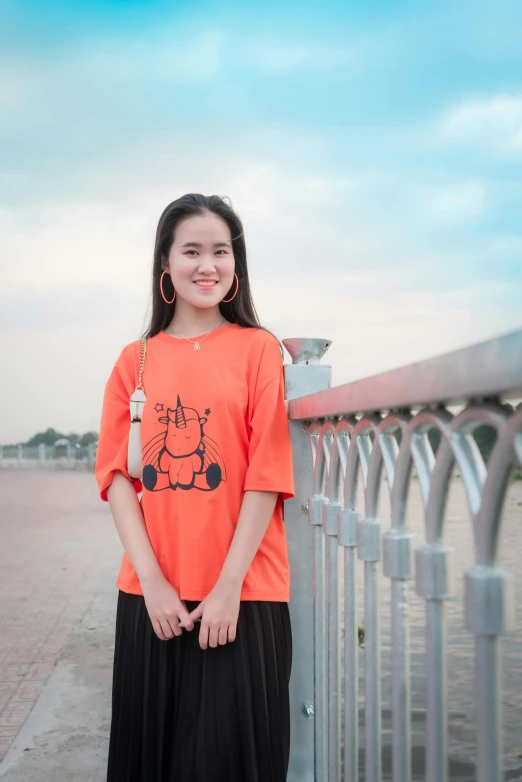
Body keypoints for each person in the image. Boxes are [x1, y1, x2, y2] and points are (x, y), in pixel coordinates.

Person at [94, 193, 296, 782]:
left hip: (245, 594)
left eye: (221, 251)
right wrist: (153, 584)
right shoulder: (133, 360)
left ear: (236, 265)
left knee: (233, 763)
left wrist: (228, 585)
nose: (207, 265)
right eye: (192, 251)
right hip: (150, 598)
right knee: (147, 762)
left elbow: (267, 474)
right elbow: (116, 479)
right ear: (165, 263)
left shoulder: (259, 349)